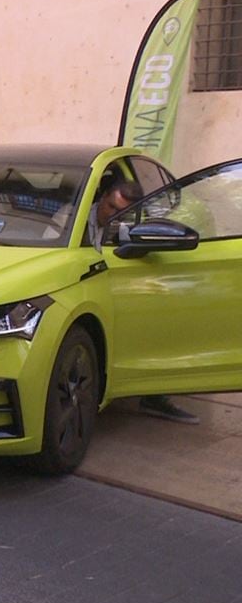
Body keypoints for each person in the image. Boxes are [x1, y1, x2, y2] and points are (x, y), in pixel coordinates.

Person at [89, 179, 200, 425]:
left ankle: (154, 395)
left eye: (121, 213)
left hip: (114, 290)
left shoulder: (128, 224)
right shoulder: (70, 216)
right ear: (103, 197)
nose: (112, 216)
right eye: (110, 207)